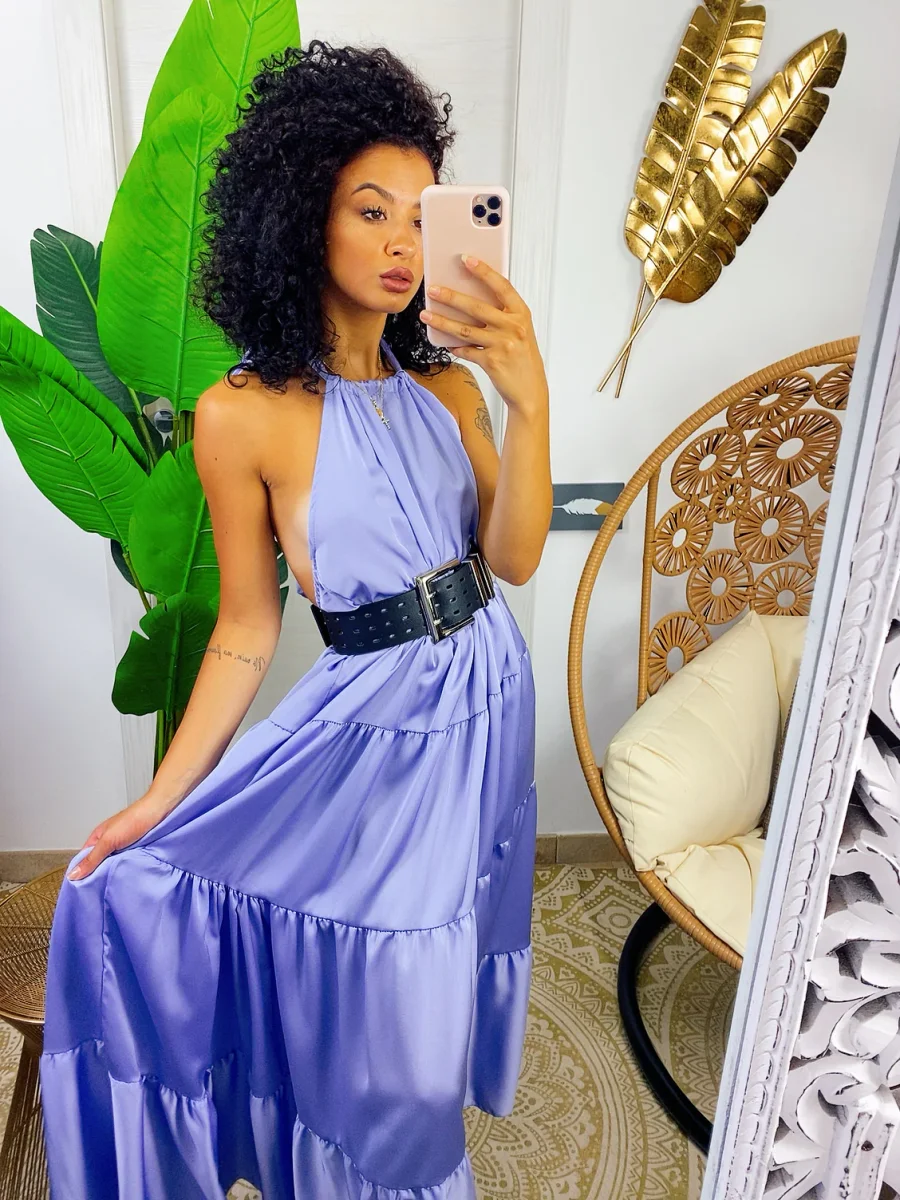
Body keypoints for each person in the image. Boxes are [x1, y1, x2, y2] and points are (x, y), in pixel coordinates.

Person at [39, 40, 551, 1199]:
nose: (402, 243)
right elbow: (244, 628)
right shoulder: (241, 417)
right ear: (299, 216)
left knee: (430, 974)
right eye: (371, 210)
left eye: (419, 215)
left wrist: (529, 401)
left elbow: (513, 558)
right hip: (372, 735)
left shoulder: (451, 388)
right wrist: (160, 802)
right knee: (389, 1009)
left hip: (486, 707)